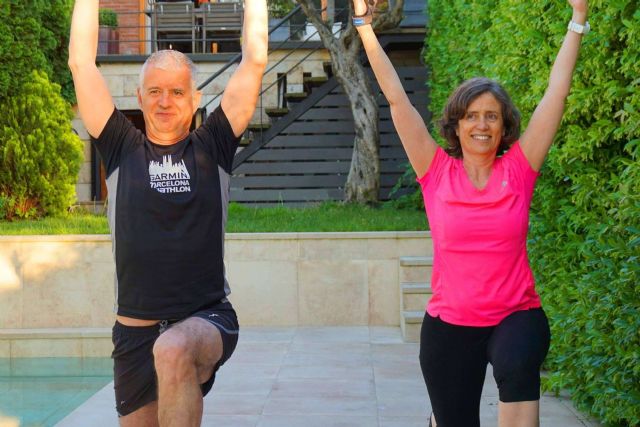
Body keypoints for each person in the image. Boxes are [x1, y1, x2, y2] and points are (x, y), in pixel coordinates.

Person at [352, 0, 588, 425]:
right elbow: (397, 99)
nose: (481, 125)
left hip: (516, 315)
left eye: (491, 116)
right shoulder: (436, 171)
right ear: (456, 125)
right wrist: (364, 25)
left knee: (517, 366)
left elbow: (556, 94)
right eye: (472, 116)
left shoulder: (519, 169)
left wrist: (578, 18)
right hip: (450, 325)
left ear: (504, 126)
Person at [68, 0, 267, 425]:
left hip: (204, 319)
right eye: (155, 91)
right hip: (134, 334)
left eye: (177, 92)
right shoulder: (121, 147)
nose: (164, 101)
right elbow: (81, 63)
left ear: (195, 99)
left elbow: (254, 60)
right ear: (139, 97)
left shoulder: (213, 145)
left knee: (173, 348)